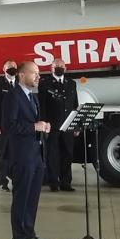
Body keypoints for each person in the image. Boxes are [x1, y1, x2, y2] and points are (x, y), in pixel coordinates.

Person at [2, 61, 55, 239]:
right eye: (34, 73)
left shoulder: (32, 96)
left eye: (39, 73)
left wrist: (43, 126)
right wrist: (34, 127)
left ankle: (30, 234)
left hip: (35, 154)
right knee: (22, 197)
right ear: (22, 75)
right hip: (21, 155)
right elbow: (9, 126)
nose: (38, 77)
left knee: (32, 198)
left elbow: (33, 121)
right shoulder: (13, 96)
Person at [39, 59, 80, 192]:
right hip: (52, 126)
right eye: (56, 66)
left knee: (68, 154)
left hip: (68, 125)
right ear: (51, 68)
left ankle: (66, 183)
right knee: (52, 155)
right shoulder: (44, 83)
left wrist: (76, 125)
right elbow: (42, 105)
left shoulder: (72, 83)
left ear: (65, 68)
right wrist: (44, 123)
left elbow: (75, 105)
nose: (59, 68)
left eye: (61, 66)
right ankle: (53, 183)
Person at [0, 60, 18, 192]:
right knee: (2, 154)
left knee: (17, 153)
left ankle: (16, 178)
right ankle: (3, 180)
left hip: (18, 126)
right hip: (3, 126)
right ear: (4, 69)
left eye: (14, 67)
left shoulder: (20, 82)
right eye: (9, 67)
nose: (12, 69)